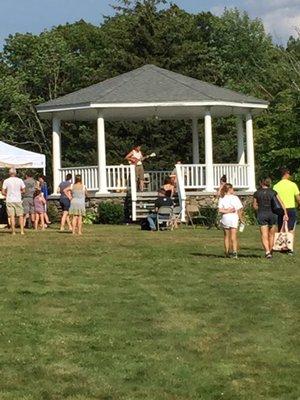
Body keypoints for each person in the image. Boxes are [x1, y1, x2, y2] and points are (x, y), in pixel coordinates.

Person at [253, 178, 288, 259]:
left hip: (262, 214)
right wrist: (285, 213)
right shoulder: (273, 192)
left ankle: (267, 252)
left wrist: (259, 209)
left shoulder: (257, 193)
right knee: (271, 235)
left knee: (264, 234)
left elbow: (254, 206)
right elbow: (281, 203)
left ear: (261, 183)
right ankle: (271, 251)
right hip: (273, 214)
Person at [273, 168, 300, 255]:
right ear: (286, 174)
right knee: (291, 229)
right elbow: (298, 198)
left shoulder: (276, 186)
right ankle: (290, 248)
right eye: (289, 174)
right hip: (291, 208)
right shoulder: (293, 185)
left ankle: (282, 247)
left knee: (282, 228)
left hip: (280, 209)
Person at [218, 183, 244, 258]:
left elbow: (220, 210)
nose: (233, 190)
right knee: (233, 236)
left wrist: (227, 211)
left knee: (226, 236)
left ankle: (227, 252)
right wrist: (241, 219)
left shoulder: (222, 198)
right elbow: (239, 209)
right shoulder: (235, 198)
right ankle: (234, 252)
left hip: (225, 217)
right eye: (232, 189)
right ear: (229, 189)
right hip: (233, 218)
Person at [2, 168, 25, 235]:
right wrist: (18, 192)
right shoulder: (20, 180)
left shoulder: (6, 181)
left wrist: (8, 194)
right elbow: (24, 190)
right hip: (18, 200)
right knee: (20, 215)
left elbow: (3, 192)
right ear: (15, 173)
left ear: (9, 173)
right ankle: (22, 231)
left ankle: (13, 231)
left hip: (9, 200)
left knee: (12, 216)